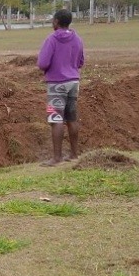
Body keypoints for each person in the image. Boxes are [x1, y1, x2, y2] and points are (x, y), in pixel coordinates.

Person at [37, 9, 84, 166]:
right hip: (73, 82)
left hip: (56, 83)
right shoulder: (77, 38)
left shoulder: (51, 39)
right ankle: (74, 154)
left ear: (56, 21)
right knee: (71, 118)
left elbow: (42, 63)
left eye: (53, 20)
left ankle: (57, 158)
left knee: (55, 119)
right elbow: (81, 61)